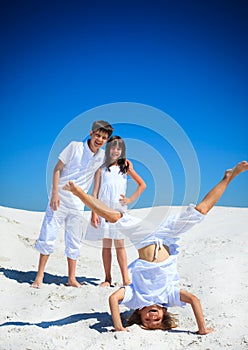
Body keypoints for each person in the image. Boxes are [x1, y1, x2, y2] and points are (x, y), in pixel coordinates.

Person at [63, 160, 248, 333]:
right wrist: (202, 329)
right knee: (200, 211)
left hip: (142, 238)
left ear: (139, 314)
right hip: (168, 236)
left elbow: (113, 299)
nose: (152, 318)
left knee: (114, 218)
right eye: (157, 321)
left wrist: (119, 327)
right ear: (164, 315)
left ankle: (79, 193)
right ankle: (228, 177)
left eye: (147, 321)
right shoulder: (169, 297)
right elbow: (193, 300)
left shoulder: (135, 298)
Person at [31, 120, 114, 288]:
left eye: (104, 137)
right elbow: (57, 169)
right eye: (97, 135)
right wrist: (54, 193)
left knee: (74, 240)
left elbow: (97, 183)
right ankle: (39, 276)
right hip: (59, 199)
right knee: (48, 235)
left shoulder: (101, 156)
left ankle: (71, 278)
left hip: (78, 203)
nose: (99, 139)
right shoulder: (74, 146)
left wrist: (94, 209)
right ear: (91, 133)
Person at [85, 136, 146, 287]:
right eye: (113, 147)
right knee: (106, 246)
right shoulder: (101, 168)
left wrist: (130, 200)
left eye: (119, 149)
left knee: (120, 245)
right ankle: (107, 278)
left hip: (118, 212)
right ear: (108, 149)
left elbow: (142, 184)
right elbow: (95, 193)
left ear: (122, 151)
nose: (115, 151)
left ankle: (126, 279)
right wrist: (94, 212)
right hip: (103, 211)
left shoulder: (125, 167)